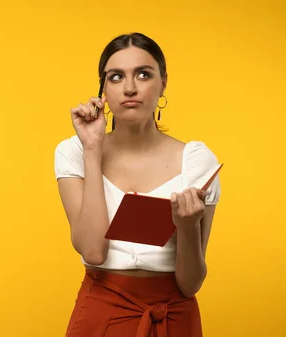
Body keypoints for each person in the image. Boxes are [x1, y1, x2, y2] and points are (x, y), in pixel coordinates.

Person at [54, 32, 221, 337]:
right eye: (116, 77)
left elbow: (191, 283)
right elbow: (92, 252)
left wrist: (186, 227)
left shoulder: (196, 160)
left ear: (163, 82)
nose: (130, 88)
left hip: (174, 316)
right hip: (101, 312)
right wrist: (92, 149)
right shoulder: (74, 151)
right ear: (103, 88)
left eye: (143, 74)